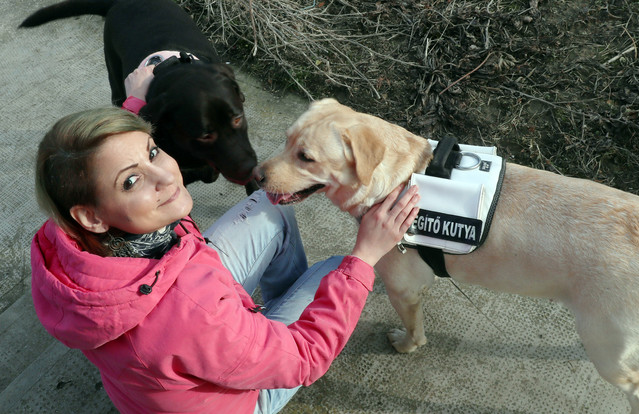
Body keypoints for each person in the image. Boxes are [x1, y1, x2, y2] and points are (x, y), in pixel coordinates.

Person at [31, 105, 420, 413]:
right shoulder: (194, 317)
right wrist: (366, 255)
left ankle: (269, 333)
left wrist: (135, 101)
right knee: (342, 270)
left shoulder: (67, 239)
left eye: (152, 151)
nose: (166, 176)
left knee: (272, 207)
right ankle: (273, 339)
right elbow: (306, 360)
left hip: (180, 341)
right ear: (92, 217)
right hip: (234, 398)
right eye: (131, 181)